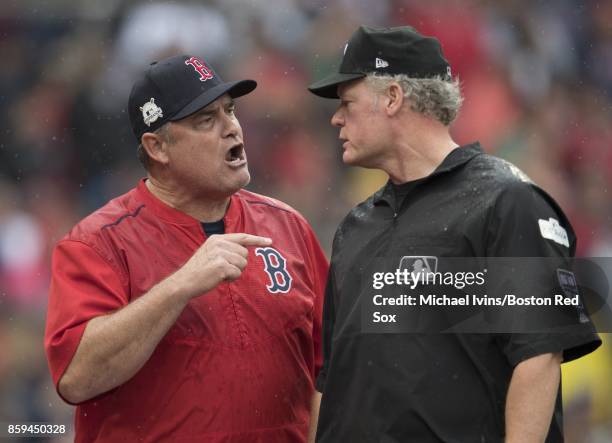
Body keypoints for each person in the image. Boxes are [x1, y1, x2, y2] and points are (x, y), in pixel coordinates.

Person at [307, 26, 601, 442]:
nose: (336, 117)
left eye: (347, 102)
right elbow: (331, 379)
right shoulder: (356, 225)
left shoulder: (507, 201)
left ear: (392, 97)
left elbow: (538, 356)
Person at [44, 54, 328, 443]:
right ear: (158, 147)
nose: (231, 129)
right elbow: (77, 378)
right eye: (206, 121)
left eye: (230, 111)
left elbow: (330, 371)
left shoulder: (289, 227)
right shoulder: (98, 243)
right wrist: (181, 286)